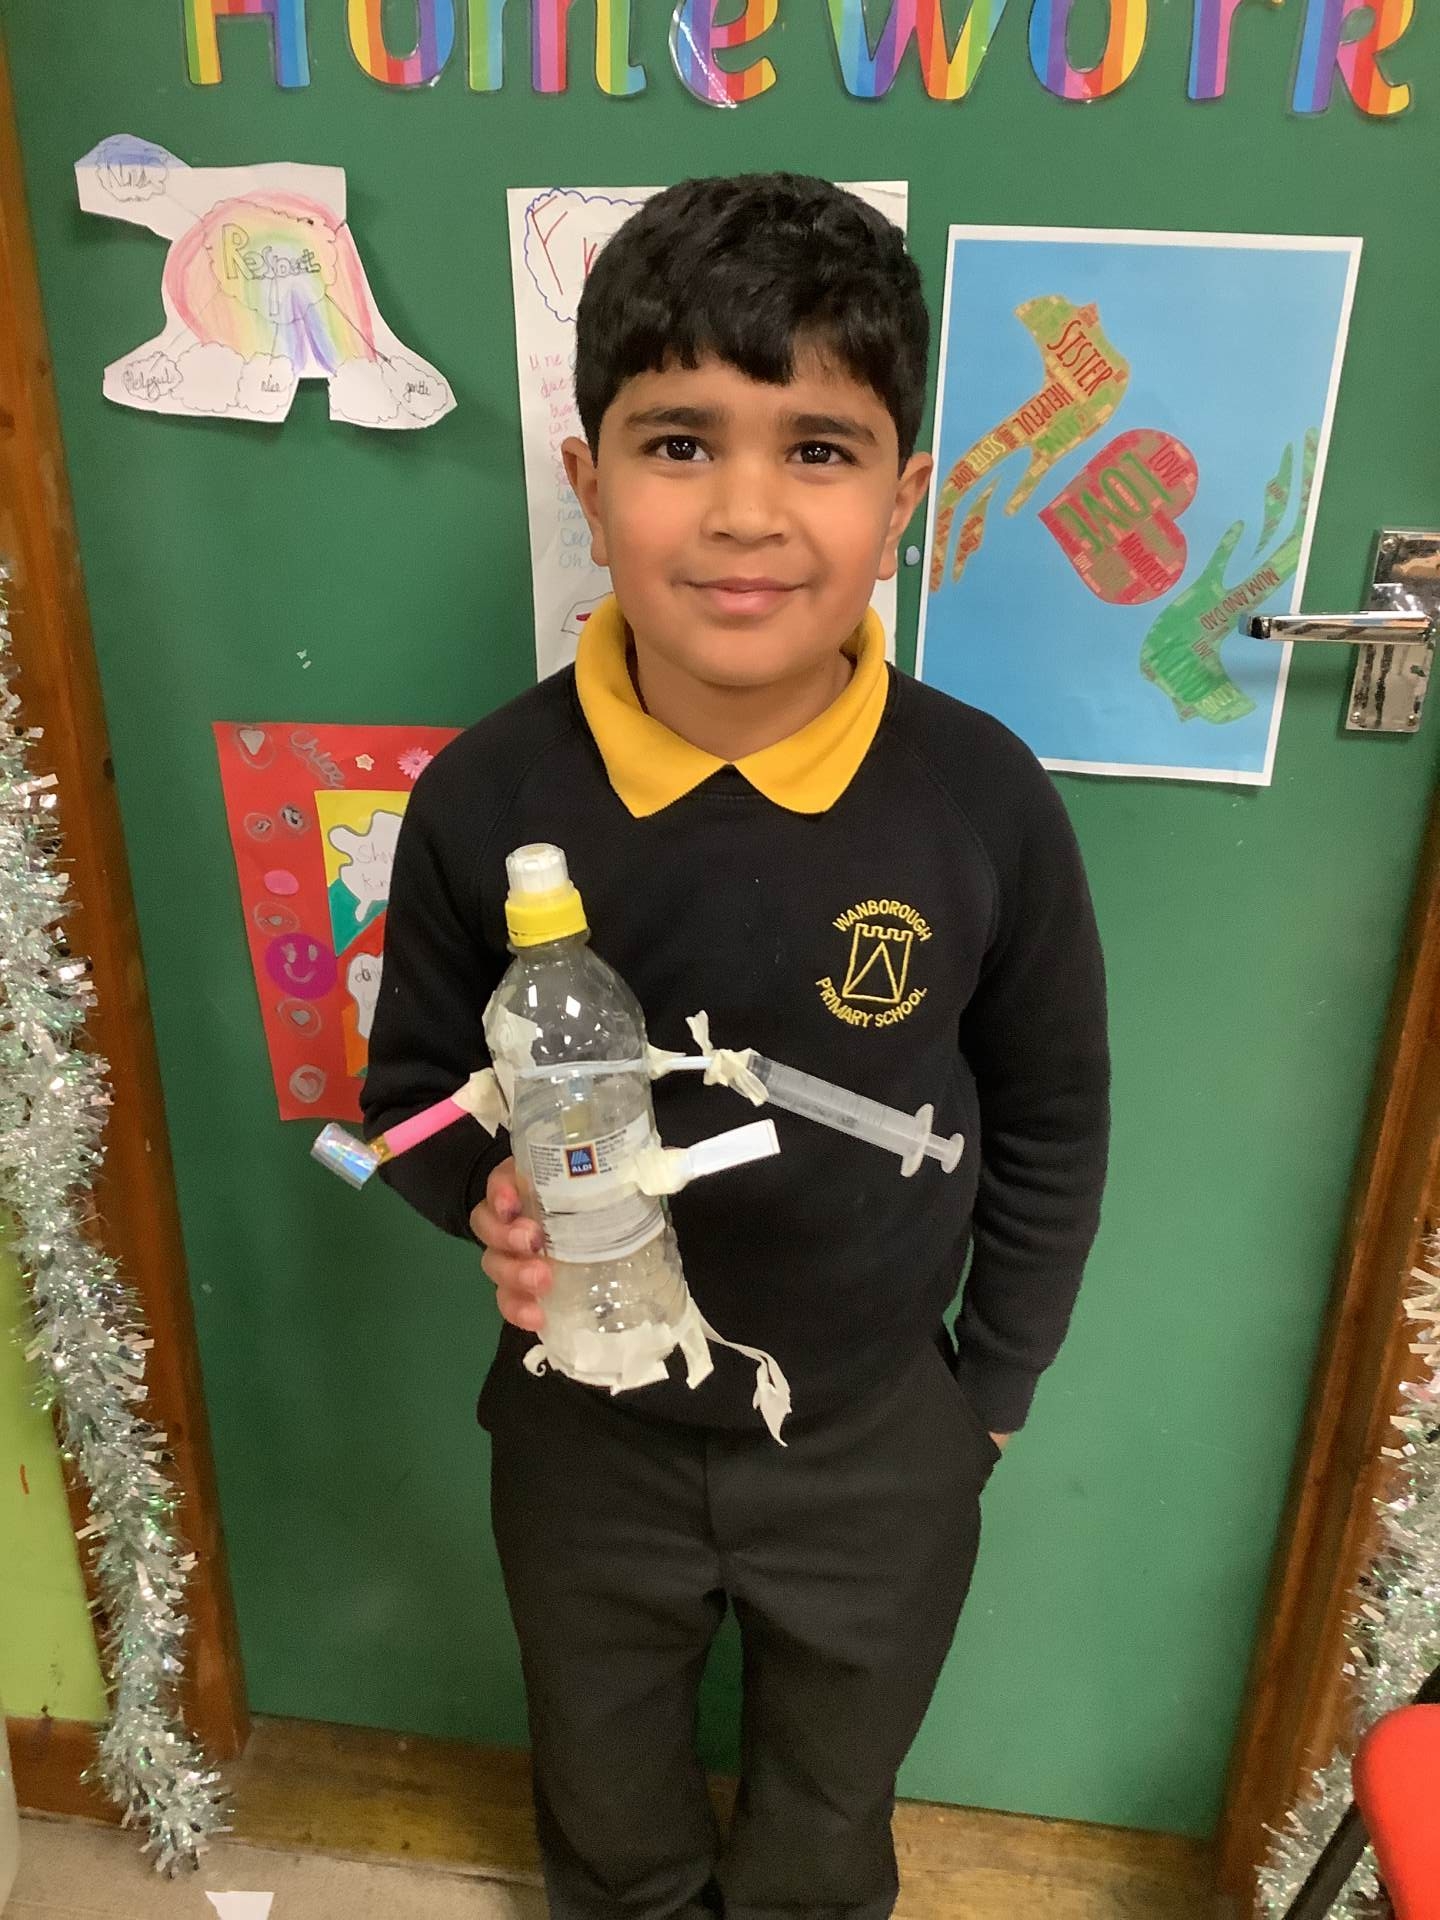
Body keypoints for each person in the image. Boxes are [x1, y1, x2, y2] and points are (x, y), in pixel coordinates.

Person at [362, 171, 1109, 1920]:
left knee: (828, 1820)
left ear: (904, 497)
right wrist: (482, 1199)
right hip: (584, 1429)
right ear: (588, 481)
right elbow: (410, 1103)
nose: (746, 512)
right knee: (606, 1797)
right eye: (680, 442)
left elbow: (1053, 1115)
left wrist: (989, 1399)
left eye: (820, 448)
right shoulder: (485, 795)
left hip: (878, 1433)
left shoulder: (981, 795)